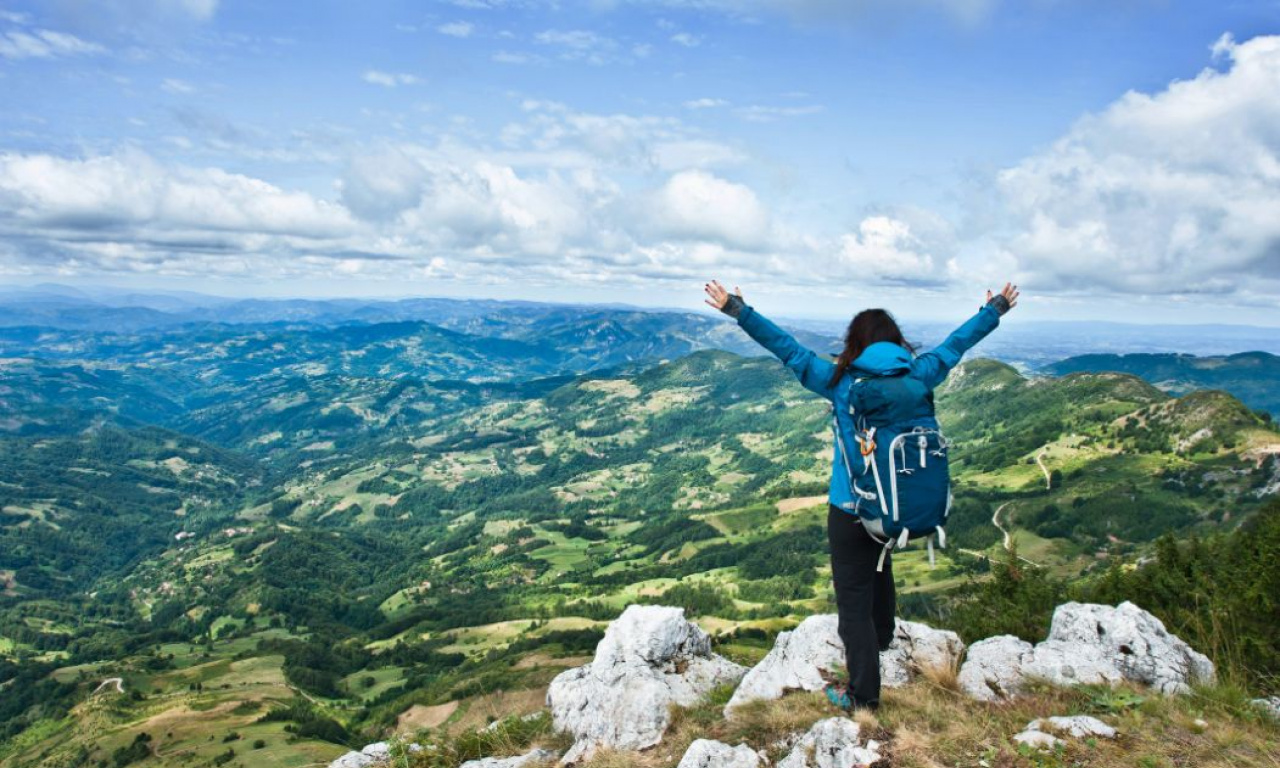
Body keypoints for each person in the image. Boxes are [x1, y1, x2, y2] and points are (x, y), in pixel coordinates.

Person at [703, 279, 1019, 711]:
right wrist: (994, 309)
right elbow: (955, 346)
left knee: (852, 604)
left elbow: (788, 349)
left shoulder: (842, 382)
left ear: (856, 343)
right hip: (895, 509)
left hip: (850, 510)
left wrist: (738, 310)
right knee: (880, 567)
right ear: (896, 341)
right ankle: (884, 636)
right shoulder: (921, 373)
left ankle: (863, 698)